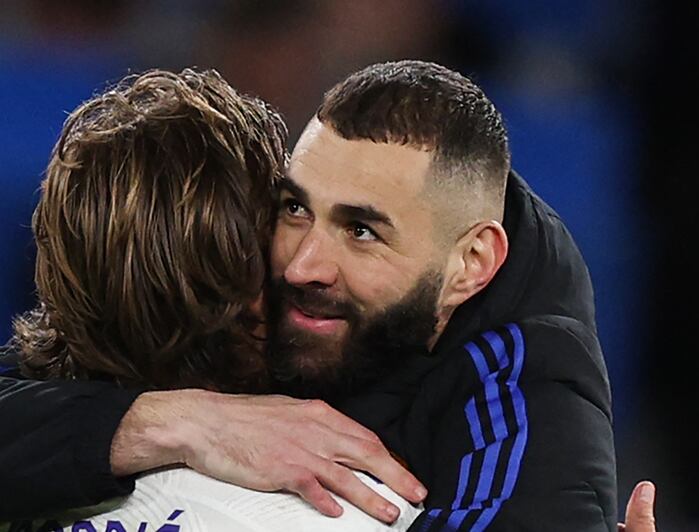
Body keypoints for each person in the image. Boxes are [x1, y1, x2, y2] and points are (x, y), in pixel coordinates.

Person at [0, 61, 653, 531]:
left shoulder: (515, 355)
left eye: (361, 231)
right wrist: (170, 422)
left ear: (469, 266)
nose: (303, 269)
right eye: (296, 211)